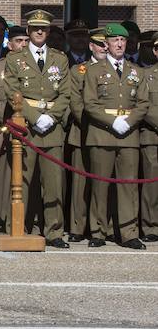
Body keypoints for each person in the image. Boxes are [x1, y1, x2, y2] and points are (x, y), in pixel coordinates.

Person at [2, 9, 71, 248]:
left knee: (53, 184)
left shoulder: (60, 59)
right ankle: (19, 228)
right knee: (22, 182)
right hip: (27, 128)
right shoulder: (14, 59)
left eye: (44, 28)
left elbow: (65, 93)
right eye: (35, 28)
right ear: (28, 31)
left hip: (52, 128)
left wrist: (51, 117)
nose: (39, 32)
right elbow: (12, 91)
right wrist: (34, 116)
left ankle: (54, 232)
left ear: (49, 31)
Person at [83, 23, 149, 250]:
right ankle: (98, 231)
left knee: (128, 186)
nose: (120, 44)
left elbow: (143, 104)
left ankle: (128, 232)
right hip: (102, 133)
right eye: (115, 41)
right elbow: (89, 103)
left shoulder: (136, 71)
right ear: (106, 45)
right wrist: (112, 121)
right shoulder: (93, 71)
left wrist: (127, 122)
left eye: (122, 41)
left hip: (128, 134)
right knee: (100, 185)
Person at [0, 25, 29, 234]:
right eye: (18, 41)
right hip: (3, 128)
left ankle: (23, 223)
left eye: (25, 41)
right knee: (2, 181)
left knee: (27, 179)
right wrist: (13, 119)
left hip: (28, 131)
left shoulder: (34, 66)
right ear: (9, 44)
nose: (22, 45)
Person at [66, 27, 106, 243]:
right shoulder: (77, 70)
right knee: (80, 184)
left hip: (108, 134)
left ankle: (101, 227)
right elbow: (75, 102)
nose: (103, 48)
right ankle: (77, 227)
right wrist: (93, 123)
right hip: (83, 131)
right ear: (91, 46)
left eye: (105, 44)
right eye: (99, 44)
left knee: (102, 183)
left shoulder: (117, 69)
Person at [141, 33, 158, 243]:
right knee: (151, 186)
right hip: (152, 136)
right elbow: (143, 105)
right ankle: (151, 225)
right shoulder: (145, 75)